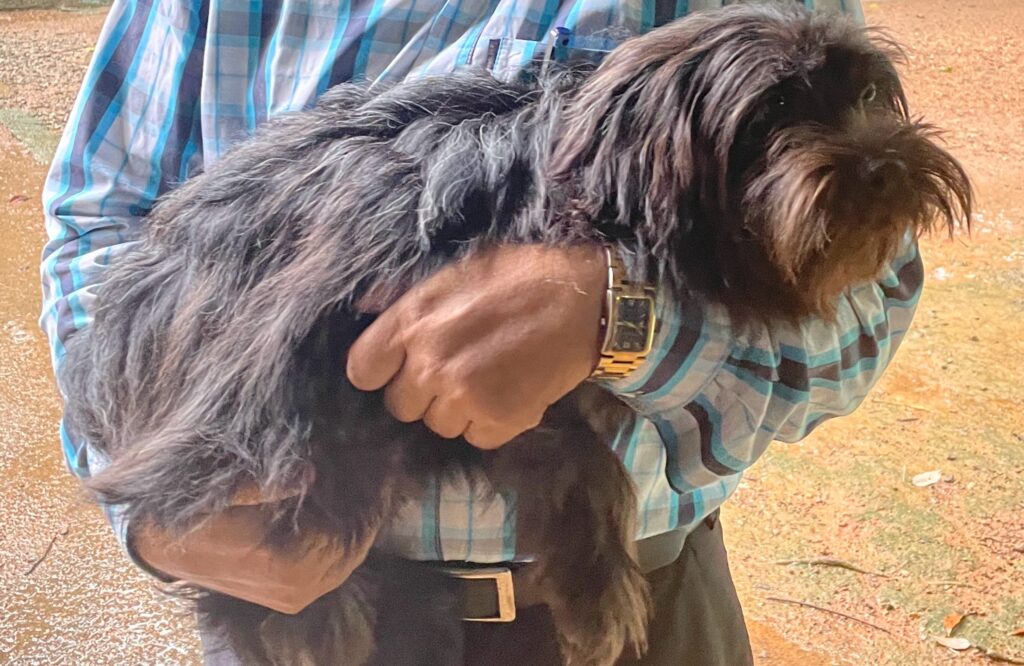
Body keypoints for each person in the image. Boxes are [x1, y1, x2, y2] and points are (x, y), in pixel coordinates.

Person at [39, 0, 913, 664]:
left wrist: (617, 316)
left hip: (633, 595)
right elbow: (99, 225)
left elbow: (865, 322)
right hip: (292, 598)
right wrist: (147, 503)